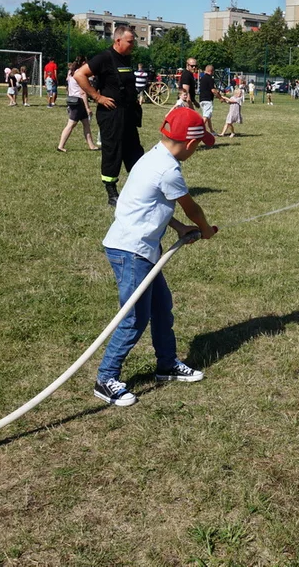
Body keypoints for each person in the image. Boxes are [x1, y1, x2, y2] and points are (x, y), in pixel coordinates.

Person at [93, 107, 217, 406]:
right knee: (134, 318)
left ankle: (167, 365)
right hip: (131, 251)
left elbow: (150, 204)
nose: (197, 150)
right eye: (198, 145)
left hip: (142, 248)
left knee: (161, 307)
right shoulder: (168, 170)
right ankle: (105, 378)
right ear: (189, 144)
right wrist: (204, 229)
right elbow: (191, 207)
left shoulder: (152, 157)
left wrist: (176, 228)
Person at [74, 26, 145, 207]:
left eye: (134, 41)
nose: (133, 45)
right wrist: (97, 97)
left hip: (128, 113)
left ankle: (140, 187)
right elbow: (79, 74)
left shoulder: (126, 58)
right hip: (111, 114)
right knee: (113, 151)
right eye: (130, 41)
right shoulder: (104, 58)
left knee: (134, 150)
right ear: (118, 41)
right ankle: (112, 192)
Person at [57, 57, 100, 152]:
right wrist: (87, 108)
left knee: (86, 124)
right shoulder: (81, 74)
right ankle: (60, 146)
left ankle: (91, 145)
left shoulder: (70, 72)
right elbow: (83, 92)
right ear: (83, 63)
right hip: (78, 102)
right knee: (71, 124)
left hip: (71, 99)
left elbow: (69, 87)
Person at [197, 64, 220, 135]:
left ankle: (212, 131)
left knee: (208, 115)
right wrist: (220, 97)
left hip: (201, 99)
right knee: (206, 116)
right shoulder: (210, 78)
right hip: (207, 100)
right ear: (211, 71)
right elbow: (213, 90)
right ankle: (198, 130)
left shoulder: (202, 78)